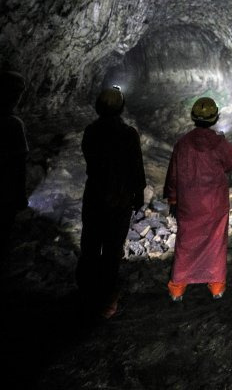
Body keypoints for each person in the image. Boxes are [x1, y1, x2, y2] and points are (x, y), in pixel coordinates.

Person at [76, 85, 146, 319]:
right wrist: (139, 193)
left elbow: (91, 161)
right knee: (113, 247)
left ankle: (86, 293)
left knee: (90, 243)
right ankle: (107, 299)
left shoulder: (90, 131)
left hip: (95, 194)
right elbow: (136, 167)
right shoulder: (128, 134)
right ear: (121, 108)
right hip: (120, 197)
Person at [163, 96, 232, 301]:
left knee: (186, 241)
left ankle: (178, 286)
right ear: (215, 118)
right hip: (214, 202)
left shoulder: (182, 143)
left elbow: (173, 174)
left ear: (192, 117)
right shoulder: (219, 142)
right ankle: (216, 286)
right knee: (215, 242)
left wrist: (173, 199)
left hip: (189, 202)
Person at [0, 70, 29, 268]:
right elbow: (19, 163)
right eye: (17, 94)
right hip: (5, 192)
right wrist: (20, 195)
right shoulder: (13, 124)